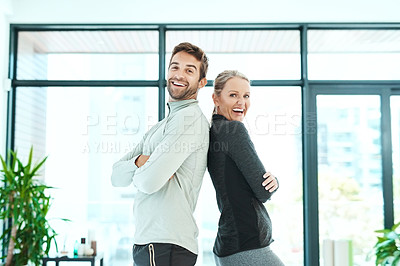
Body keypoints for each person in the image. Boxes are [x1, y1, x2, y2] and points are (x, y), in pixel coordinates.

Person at [111, 42, 209, 266]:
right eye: (174, 67)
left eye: (189, 70)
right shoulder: (161, 126)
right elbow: (116, 176)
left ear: (201, 82)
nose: (179, 74)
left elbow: (148, 181)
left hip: (166, 243)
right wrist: (141, 161)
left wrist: (144, 168)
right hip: (152, 242)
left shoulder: (189, 119)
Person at [207, 70, 284, 266]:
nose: (241, 102)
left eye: (246, 96)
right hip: (247, 246)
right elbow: (263, 190)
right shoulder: (233, 130)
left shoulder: (216, 131)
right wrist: (275, 181)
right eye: (233, 95)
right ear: (216, 98)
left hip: (232, 244)